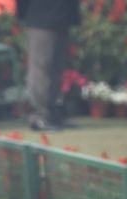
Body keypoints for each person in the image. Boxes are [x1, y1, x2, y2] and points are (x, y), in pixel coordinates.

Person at [17, 0, 80, 131]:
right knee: (41, 68)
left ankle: (52, 114)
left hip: (63, 15)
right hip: (40, 16)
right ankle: (39, 116)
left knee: (57, 68)